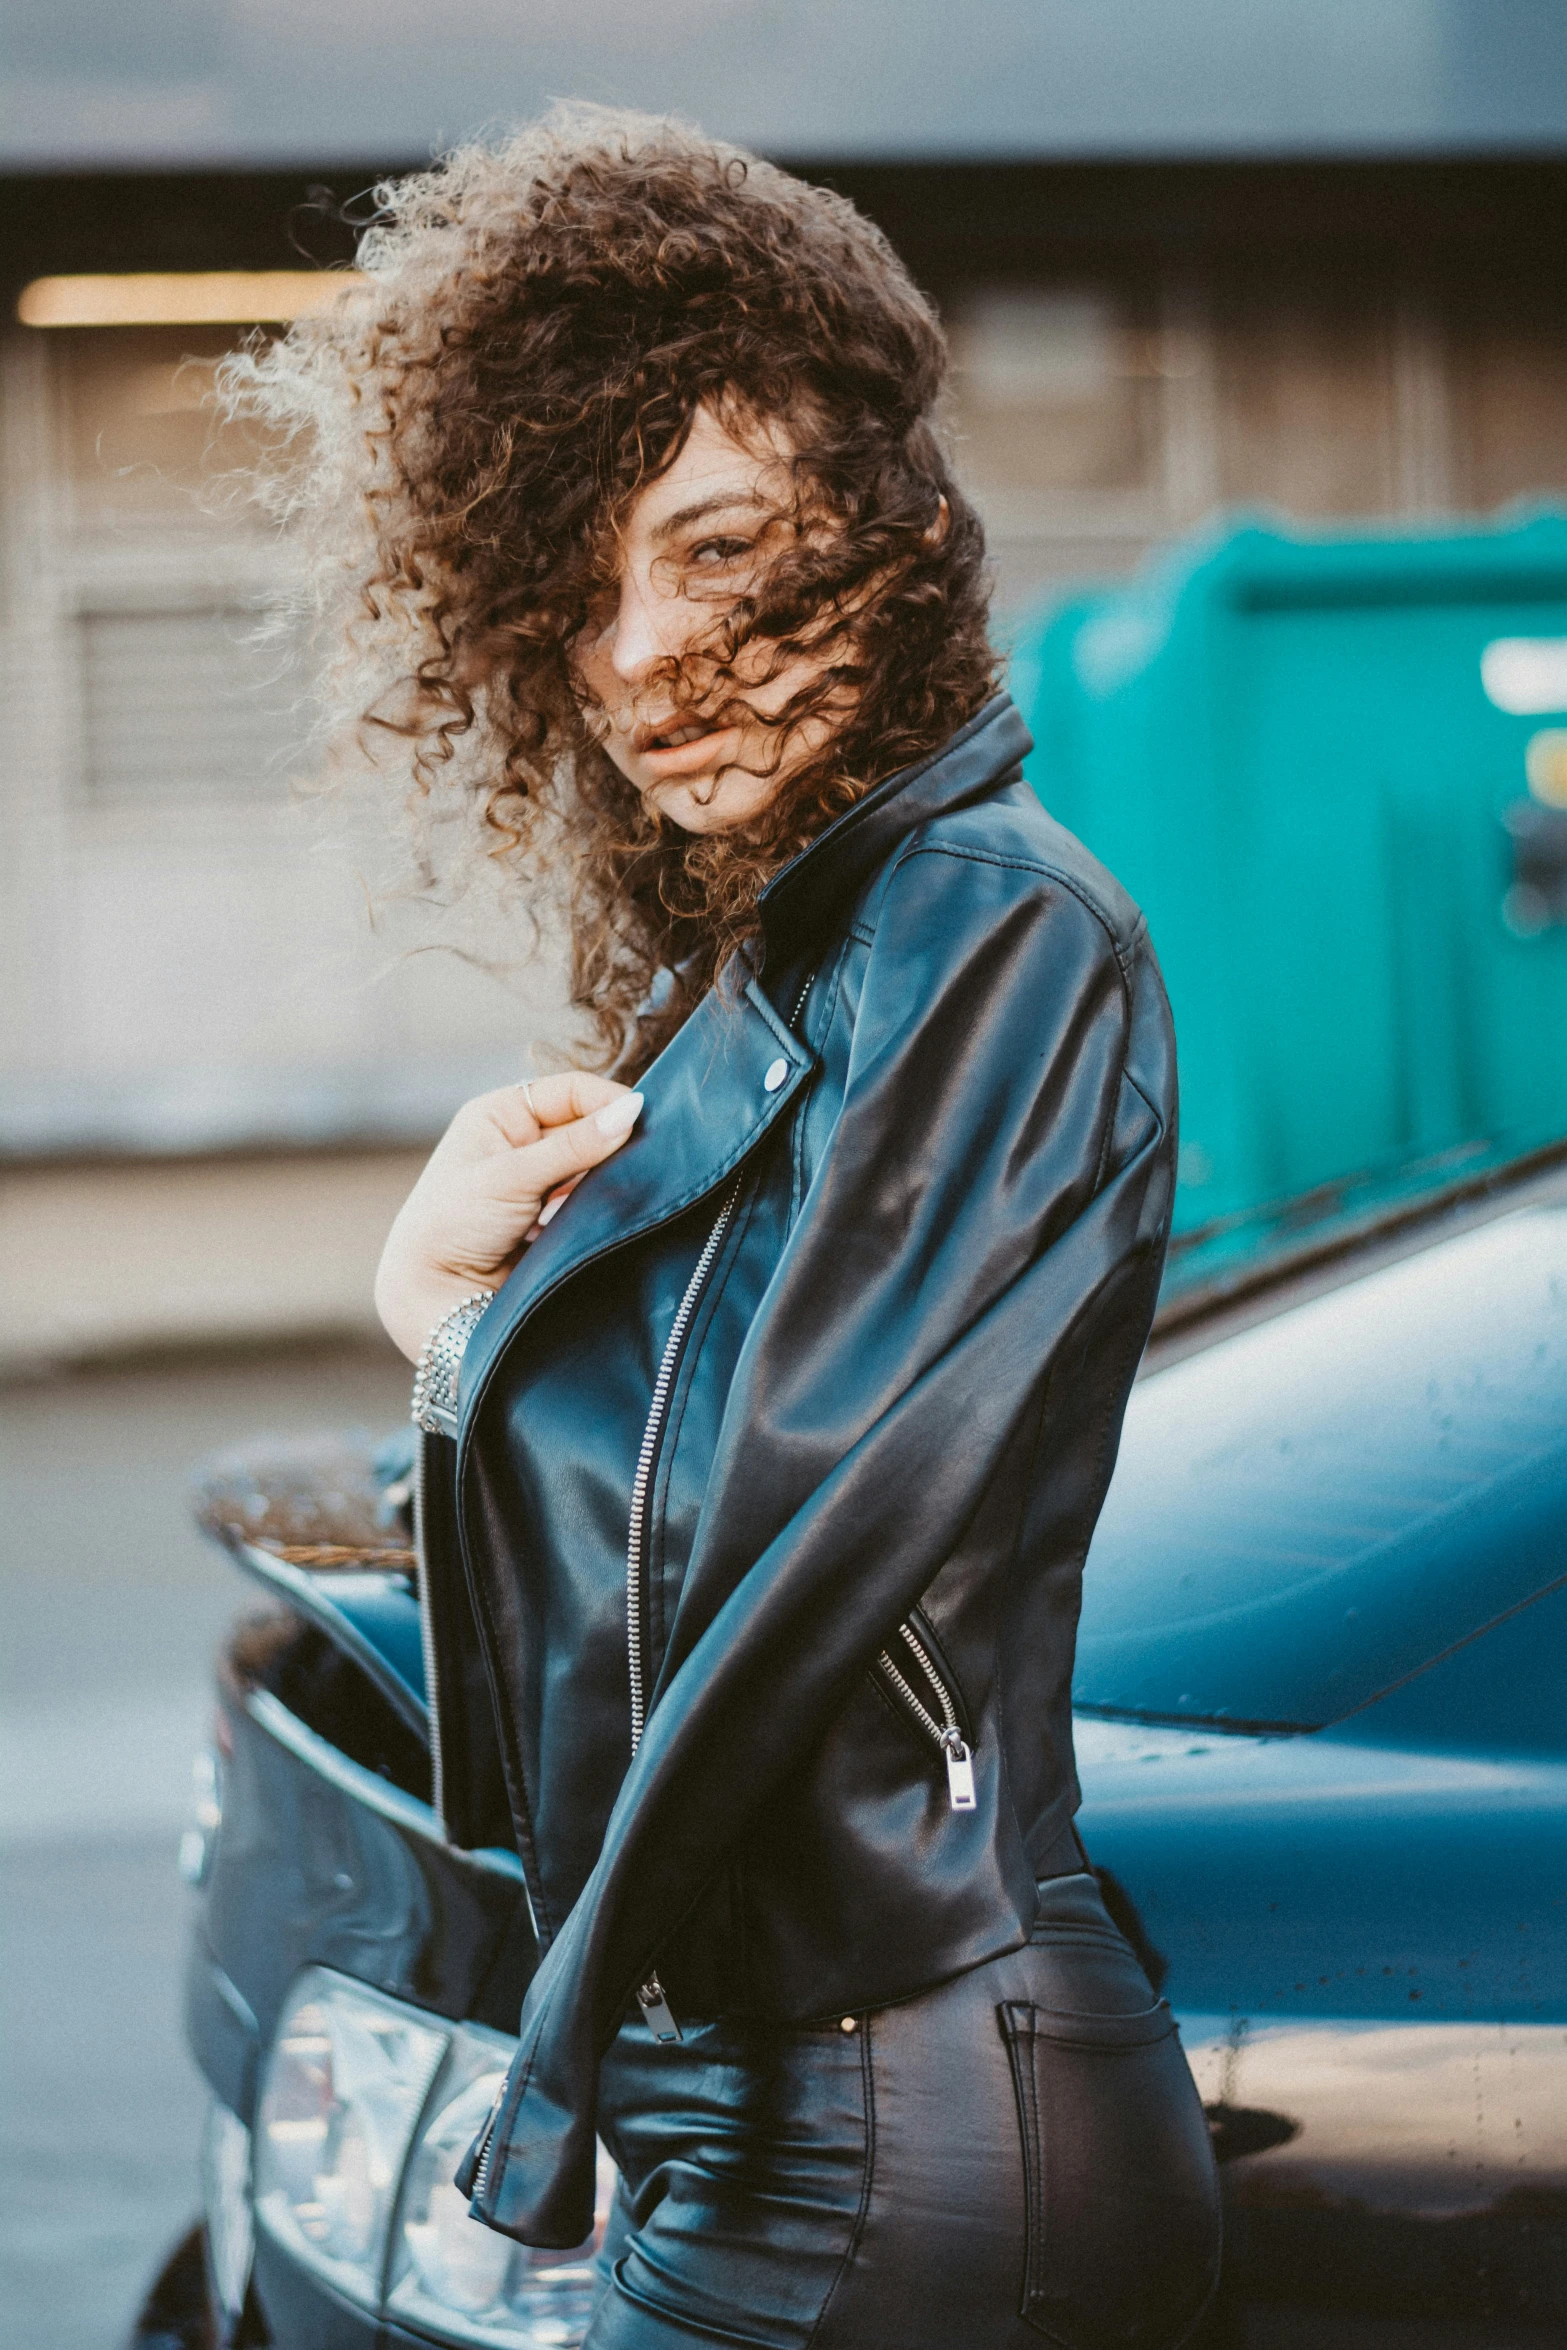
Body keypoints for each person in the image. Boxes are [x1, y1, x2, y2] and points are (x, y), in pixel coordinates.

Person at [237, 106, 1220, 2350]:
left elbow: (780, 1547)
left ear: (887, 518)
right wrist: (445, 1313)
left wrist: (545, 2065)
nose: (643, 657)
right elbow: (611, 1603)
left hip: (899, 2121)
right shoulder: (770, 984)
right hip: (772, 2115)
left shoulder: (991, 929)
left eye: (714, 548)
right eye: (579, 596)